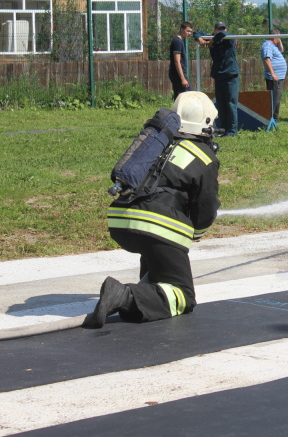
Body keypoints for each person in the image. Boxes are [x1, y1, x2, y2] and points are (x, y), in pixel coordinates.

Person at [84, 92, 221, 329]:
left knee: (158, 256)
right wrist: (197, 232)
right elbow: (206, 206)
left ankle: (143, 292)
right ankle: (124, 295)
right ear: (206, 123)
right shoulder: (204, 156)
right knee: (182, 295)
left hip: (121, 218)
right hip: (157, 224)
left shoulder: (158, 143)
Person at [193, 22, 239, 136]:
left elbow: (224, 33)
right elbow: (196, 32)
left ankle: (232, 131)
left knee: (231, 103)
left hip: (230, 75)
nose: (221, 30)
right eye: (218, 28)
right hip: (219, 75)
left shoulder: (229, 38)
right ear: (214, 30)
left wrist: (212, 41)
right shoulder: (212, 37)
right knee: (221, 104)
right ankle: (223, 129)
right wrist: (200, 38)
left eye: (223, 28)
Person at [260, 28, 287, 121]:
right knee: (274, 99)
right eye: (278, 38)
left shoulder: (273, 45)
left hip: (279, 76)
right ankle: (269, 118)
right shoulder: (267, 45)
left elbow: (282, 50)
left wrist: (279, 41)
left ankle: (275, 118)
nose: (279, 40)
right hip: (274, 77)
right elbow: (267, 59)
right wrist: (273, 74)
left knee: (277, 98)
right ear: (275, 37)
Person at [168, 22, 193, 100]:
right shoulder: (177, 42)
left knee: (179, 97)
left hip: (177, 74)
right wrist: (183, 79)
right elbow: (177, 61)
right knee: (188, 96)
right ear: (182, 29)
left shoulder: (180, 41)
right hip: (178, 75)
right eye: (188, 31)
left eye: (191, 32)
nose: (189, 33)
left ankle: (177, 112)